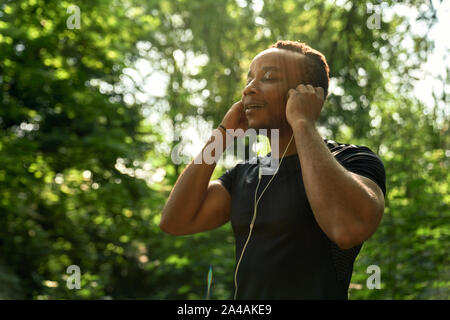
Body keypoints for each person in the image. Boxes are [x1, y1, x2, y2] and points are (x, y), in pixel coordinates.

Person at [160, 40, 386, 300]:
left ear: (306, 93)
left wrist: (302, 121)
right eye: (249, 79)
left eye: (268, 77)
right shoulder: (244, 174)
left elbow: (347, 229)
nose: (249, 89)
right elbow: (175, 221)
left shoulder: (352, 160)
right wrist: (221, 136)